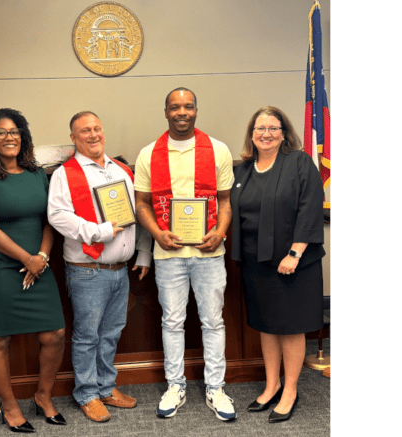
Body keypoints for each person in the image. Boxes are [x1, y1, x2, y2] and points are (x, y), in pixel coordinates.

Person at [134, 88, 236, 421]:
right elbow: (142, 205)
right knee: (172, 322)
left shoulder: (217, 150)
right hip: (169, 255)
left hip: (210, 253)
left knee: (213, 321)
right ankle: (175, 385)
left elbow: (224, 201)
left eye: (188, 106)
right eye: (175, 107)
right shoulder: (149, 153)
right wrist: (157, 233)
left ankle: (215, 388)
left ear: (196, 110)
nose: (182, 112)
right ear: (165, 112)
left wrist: (220, 233)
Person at [47, 111, 152, 423]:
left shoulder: (121, 169)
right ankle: (87, 393)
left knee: (111, 333)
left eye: (96, 128)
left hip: (120, 269)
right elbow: (58, 215)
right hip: (87, 270)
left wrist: (144, 252)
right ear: (73, 137)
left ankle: (106, 387)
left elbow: (140, 212)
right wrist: (99, 231)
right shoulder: (65, 174)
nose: (92, 135)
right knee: (87, 335)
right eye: (84, 131)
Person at [0, 108, 66, 433]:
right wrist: (26, 259)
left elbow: (48, 220)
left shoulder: (37, 174)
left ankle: (43, 395)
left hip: (40, 263)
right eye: (1, 132)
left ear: (23, 137)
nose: (9, 137)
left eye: (15, 131)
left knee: (54, 334)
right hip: (1, 268)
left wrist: (40, 257)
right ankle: (9, 405)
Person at [230, 106, 325, 423]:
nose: (266, 133)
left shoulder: (299, 163)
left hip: (292, 263)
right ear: (251, 133)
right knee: (265, 324)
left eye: (273, 127)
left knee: (290, 326)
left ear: (284, 133)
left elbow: (309, 209)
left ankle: (290, 390)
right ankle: (272, 385)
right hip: (256, 263)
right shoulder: (243, 170)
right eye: (260, 128)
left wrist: (295, 254)